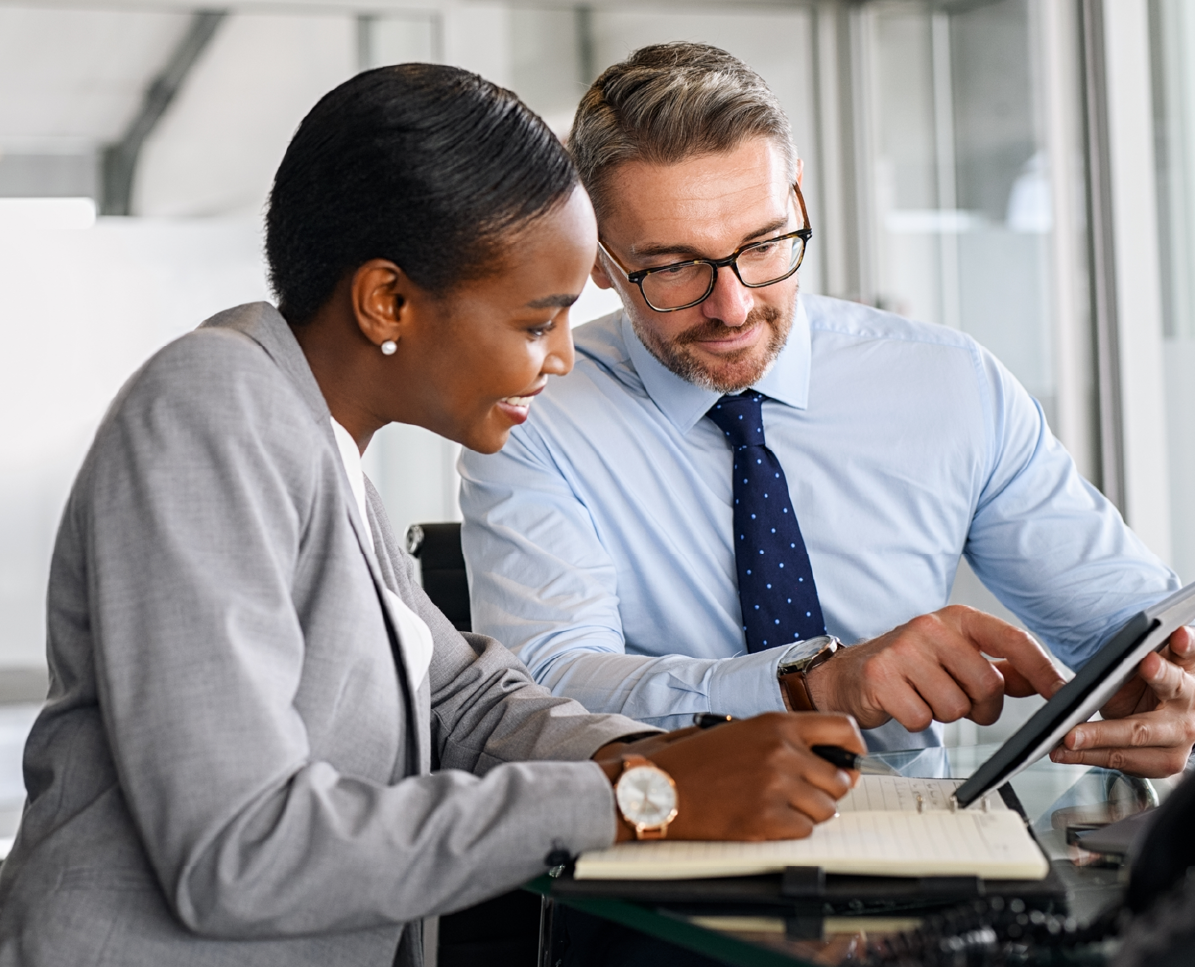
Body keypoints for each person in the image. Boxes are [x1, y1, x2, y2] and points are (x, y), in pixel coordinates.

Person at [0, 64, 867, 966]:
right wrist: (645, 796)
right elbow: (239, 850)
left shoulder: (314, 438)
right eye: (538, 322)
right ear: (389, 301)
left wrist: (678, 760)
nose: (564, 357)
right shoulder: (213, 408)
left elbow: (464, 698)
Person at [460, 42, 1195, 773]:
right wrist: (804, 688)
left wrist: (1169, 692)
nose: (733, 306)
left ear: (798, 200)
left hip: (929, 846)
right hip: (665, 850)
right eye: (673, 266)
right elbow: (544, 688)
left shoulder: (947, 383)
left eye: (763, 243)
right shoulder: (534, 413)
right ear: (595, 253)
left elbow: (1128, 623)